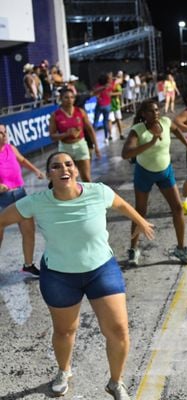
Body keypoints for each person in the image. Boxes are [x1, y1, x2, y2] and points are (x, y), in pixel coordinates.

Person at [0, 151, 155, 399]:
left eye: (69, 164)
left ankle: (116, 383)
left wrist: (141, 222)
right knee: (64, 332)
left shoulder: (98, 191)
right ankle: (64, 371)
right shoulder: (36, 201)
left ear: (76, 169)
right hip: (60, 277)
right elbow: (2, 220)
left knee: (119, 330)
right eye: (56, 166)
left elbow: (121, 205)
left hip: (101, 270)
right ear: (49, 174)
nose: (64, 169)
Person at [121, 99, 187, 266]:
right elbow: (125, 154)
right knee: (140, 212)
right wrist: (150, 143)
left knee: (177, 207)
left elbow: (177, 132)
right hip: (144, 173)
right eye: (151, 111)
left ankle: (181, 248)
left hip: (165, 172)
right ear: (143, 114)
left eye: (157, 110)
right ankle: (133, 250)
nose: (156, 113)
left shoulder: (166, 122)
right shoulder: (137, 130)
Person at [0, 124, 45, 276]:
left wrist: (36, 170)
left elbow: (23, 160)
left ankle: (28, 265)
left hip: (20, 195)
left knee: (29, 231)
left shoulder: (10, 148)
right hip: (1, 199)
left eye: (5, 131)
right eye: (0, 132)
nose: (4, 134)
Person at [49, 88, 101, 183]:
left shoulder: (80, 111)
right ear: (61, 99)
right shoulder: (55, 115)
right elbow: (52, 136)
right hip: (65, 147)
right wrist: (65, 134)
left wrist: (96, 147)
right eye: (66, 98)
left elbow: (90, 129)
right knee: (70, 177)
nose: (69, 100)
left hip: (80, 145)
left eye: (72, 97)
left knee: (86, 177)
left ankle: (88, 197)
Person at [92, 73, 114, 144]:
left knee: (95, 121)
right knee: (105, 122)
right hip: (107, 105)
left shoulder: (98, 86)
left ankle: (92, 138)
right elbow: (110, 91)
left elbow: (95, 93)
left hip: (100, 105)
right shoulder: (109, 86)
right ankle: (106, 137)